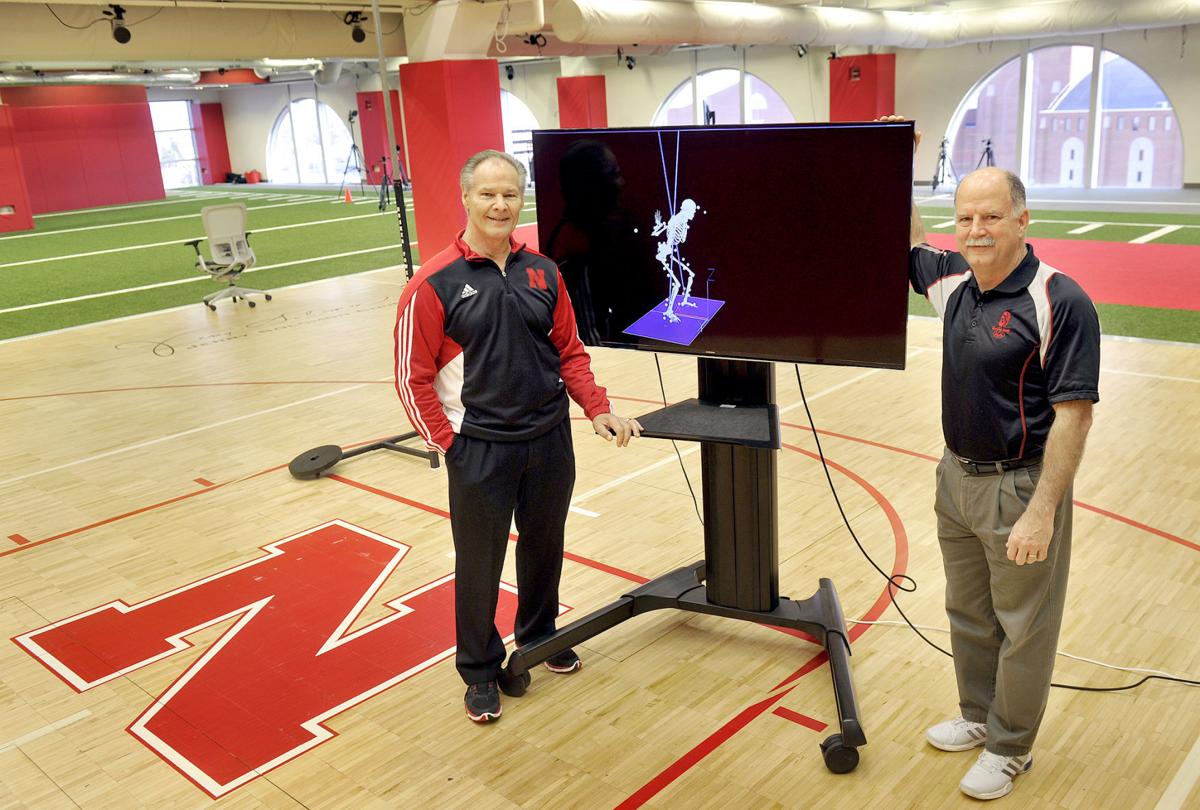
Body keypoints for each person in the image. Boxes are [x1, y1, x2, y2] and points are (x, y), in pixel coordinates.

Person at [393, 149, 642, 724]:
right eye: (488, 194)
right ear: (466, 198)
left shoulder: (543, 271)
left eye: (510, 194)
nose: (500, 205)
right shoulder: (433, 284)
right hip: (479, 448)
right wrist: (449, 444)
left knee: (544, 546)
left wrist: (596, 409)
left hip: (550, 438)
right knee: (479, 563)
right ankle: (479, 671)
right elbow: (412, 377)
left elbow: (570, 353)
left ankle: (538, 638)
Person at [894, 118, 1101, 800]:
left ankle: (1012, 747)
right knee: (969, 614)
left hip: (1021, 486)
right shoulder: (953, 282)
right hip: (955, 477)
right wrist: (897, 159)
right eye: (965, 218)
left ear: (1022, 219)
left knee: (1024, 627)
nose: (975, 229)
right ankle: (978, 717)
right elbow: (905, 237)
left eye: (990, 216)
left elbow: (1074, 415)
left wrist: (1042, 510)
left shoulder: (1058, 299)